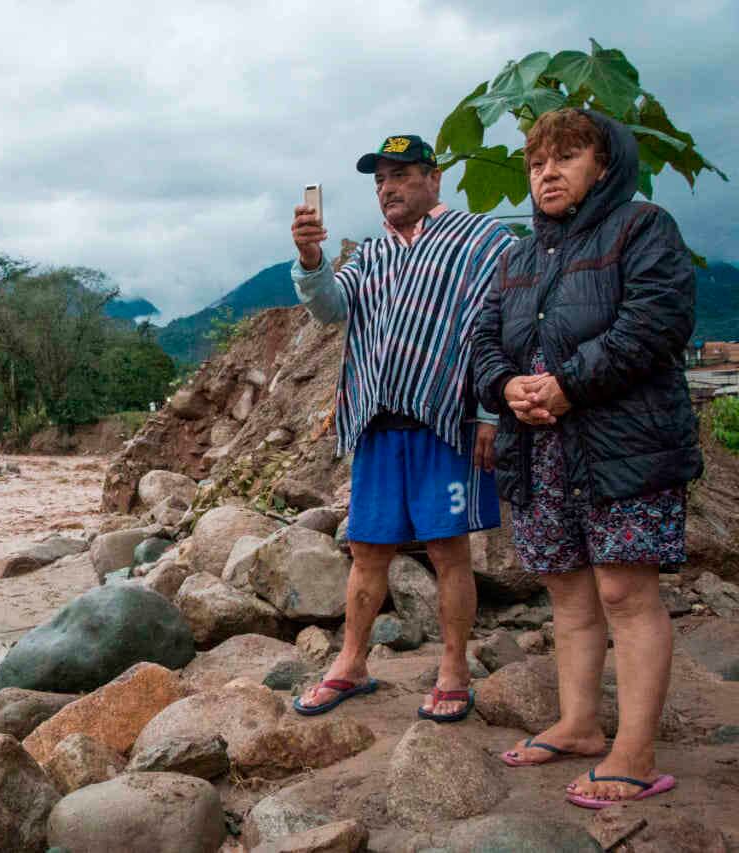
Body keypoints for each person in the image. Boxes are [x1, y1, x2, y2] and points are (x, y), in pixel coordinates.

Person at [472, 109, 700, 808]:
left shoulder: (643, 227)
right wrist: (506, 385)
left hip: (621, 444)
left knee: (625, 593)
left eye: (566, 157)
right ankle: (578, 723)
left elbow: (655, 320)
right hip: (540, 448)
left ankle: (634, 750)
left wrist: (569, 385)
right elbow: (483, 340)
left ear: (604, 166)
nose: (547, 171)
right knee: (567, 592)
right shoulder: (516, 257)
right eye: (538, 161)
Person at [290, 134, 514, 721]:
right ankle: (351, 663)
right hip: (377, 420)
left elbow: (505, 326)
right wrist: (312, 263)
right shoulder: (371, 254)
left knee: (447, 549)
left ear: (433, 179)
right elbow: (330, 310)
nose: (388, 189)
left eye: (401, 176)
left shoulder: (481, 240)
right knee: (367, 548)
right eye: (379, 181)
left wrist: (492, 413)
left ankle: (453, 671)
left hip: (449, 421)